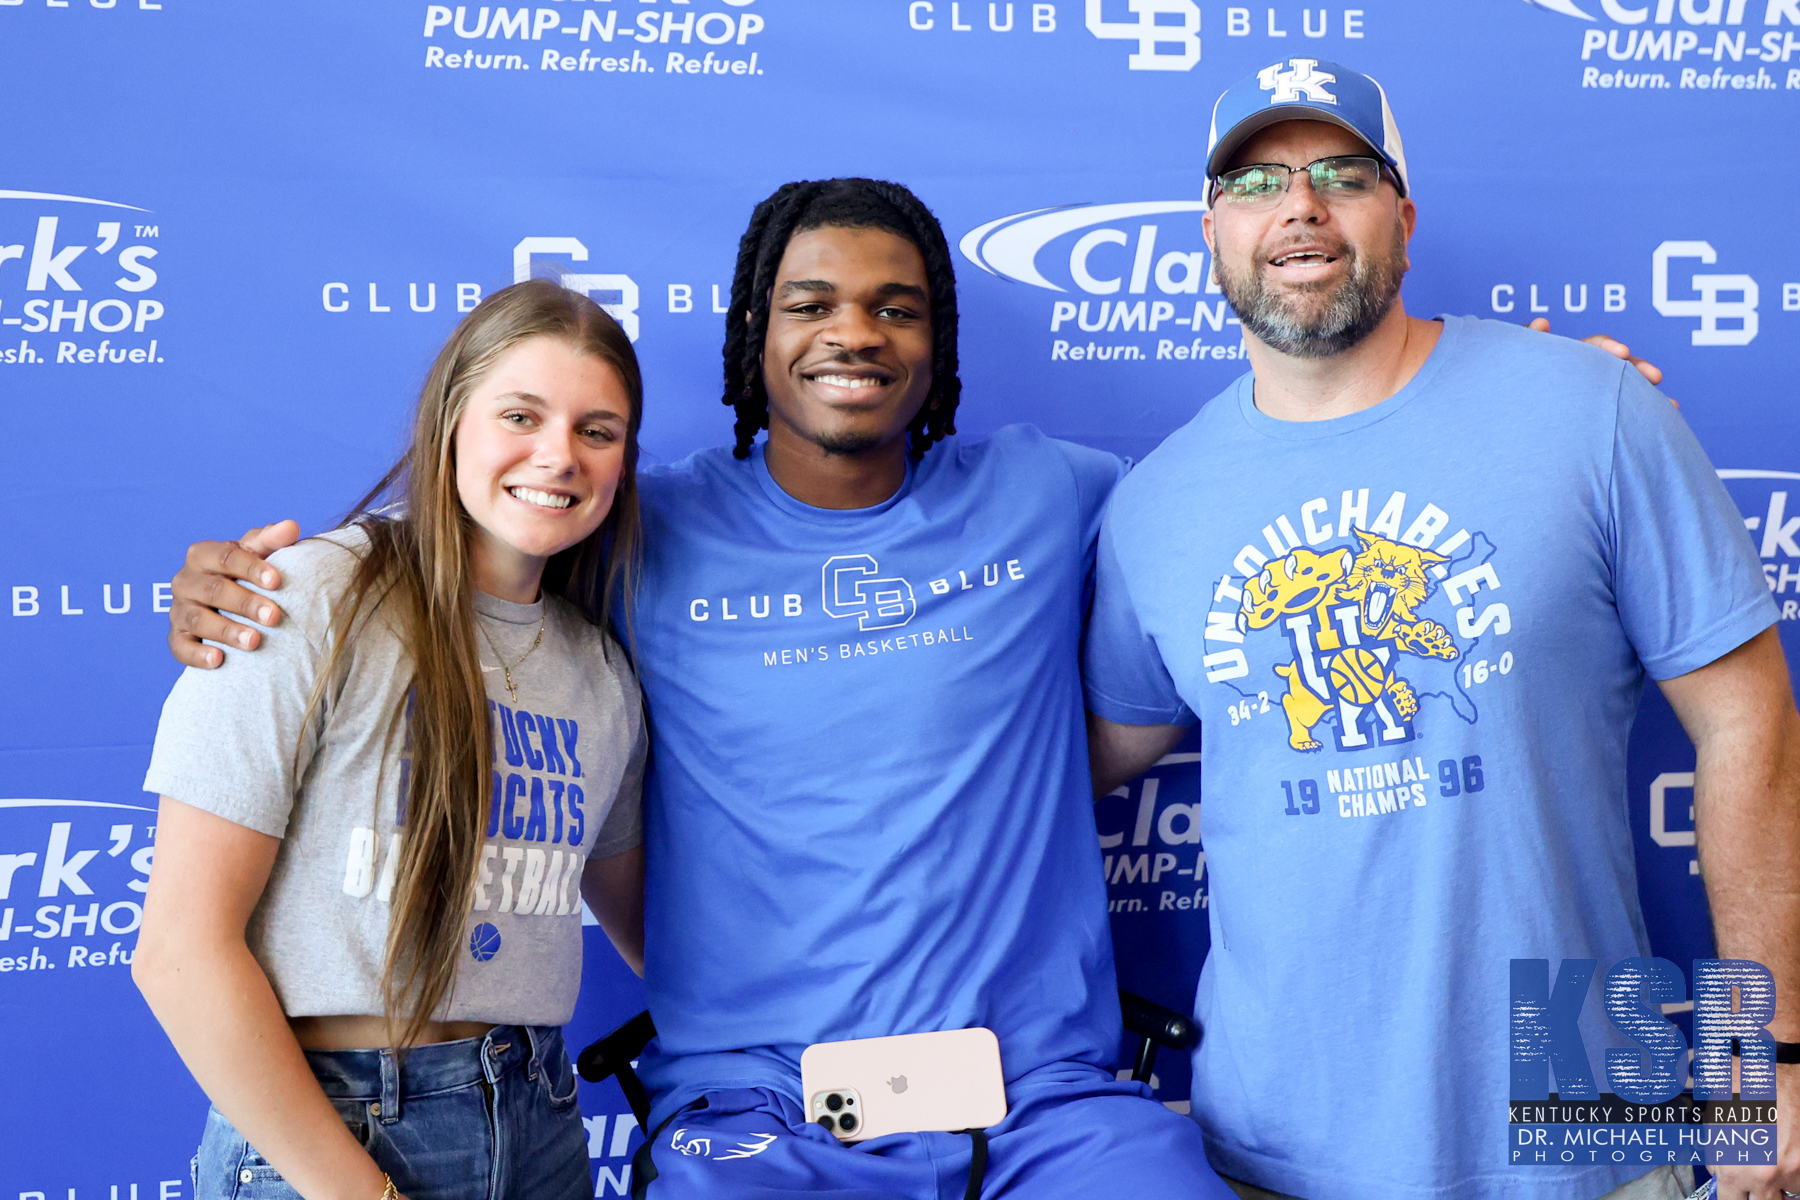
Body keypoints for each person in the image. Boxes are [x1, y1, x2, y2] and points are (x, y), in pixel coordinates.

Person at [162, 179, 1239, 1199]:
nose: (854, 332)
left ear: (937, 337)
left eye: (895, 307)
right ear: (753, 339)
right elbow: (480, 543)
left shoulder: (1056, 492)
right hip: (757, 1100)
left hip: (1039, 1091)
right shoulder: (638, 532)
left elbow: (1216, 530)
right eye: (809, 302)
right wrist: (245, 586)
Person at [1082, 58, 1800, 1200]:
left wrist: (1762, 1056)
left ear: (1402, 215)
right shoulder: (1156, 505)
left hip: (1578, 1106)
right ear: (1211, 231)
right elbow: (1070, 770)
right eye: (1258, 182)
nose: (1301, 206)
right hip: (1281, 1141)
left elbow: (1747, 722)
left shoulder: (1588, 408)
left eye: (1341, 173)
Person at [134, 279, 651, 1200]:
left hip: (538, 1115)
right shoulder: (305, 599)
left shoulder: (600, 673)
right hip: (333, 1127)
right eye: (521, 415)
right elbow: (180, 949)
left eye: (597, 431)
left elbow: (660, 929)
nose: (558, 455)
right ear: (451, 420)